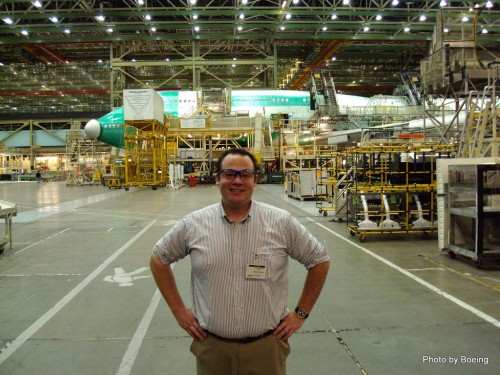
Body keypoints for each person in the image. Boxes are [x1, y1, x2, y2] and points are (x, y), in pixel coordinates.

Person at [150, 148, 330, 375]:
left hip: (266, 348)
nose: (237, 181)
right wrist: (178, 310)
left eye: (245, 174)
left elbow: (319, 260)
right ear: (217, 179)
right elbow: (159, 259)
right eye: (229, 174)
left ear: (255, 180)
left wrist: (301, 313)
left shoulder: (281, 222)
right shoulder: (193, 224)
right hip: (213, 349)